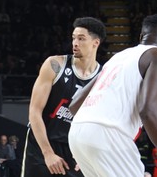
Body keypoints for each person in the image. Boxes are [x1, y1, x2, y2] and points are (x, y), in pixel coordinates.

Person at [68, 14, 157, 177]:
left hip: (77, 133)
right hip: (108, 135)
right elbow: (148, 111)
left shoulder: (117, 57)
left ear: (141, 37)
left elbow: (74, 105)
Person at [21, 17, 106, 176]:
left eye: (81, 39)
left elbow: (99, 124)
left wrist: (89, 154)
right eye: (74, 38)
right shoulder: (55, 65)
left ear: (96, 43)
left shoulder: (103, 77)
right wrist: (47, 153)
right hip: (42, 143)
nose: (75, 43)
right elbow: (34, 111)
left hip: (75, 149)